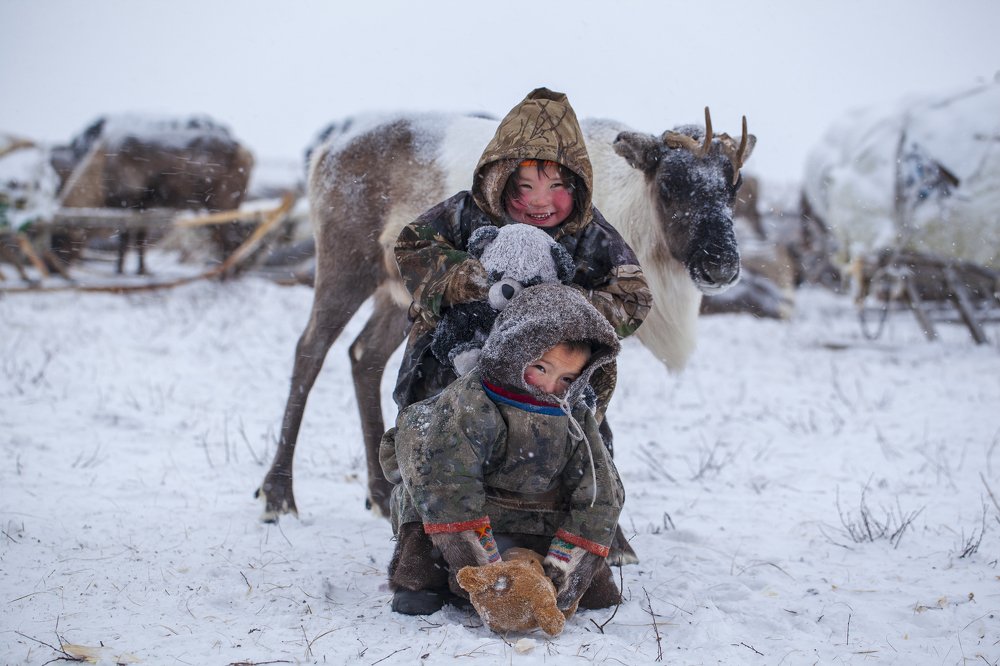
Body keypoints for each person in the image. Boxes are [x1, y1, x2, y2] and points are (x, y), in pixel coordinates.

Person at [392, 87, 652, 435]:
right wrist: (461, 280)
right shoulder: (467, 212)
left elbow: (633, 295)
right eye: (525, 186)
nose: (539, 202)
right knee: (435, 449)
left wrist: (573, 308)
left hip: (554, 388)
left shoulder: (591, 232)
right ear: (500, 178)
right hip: (450, 373)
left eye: (557, 185)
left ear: (577, 185)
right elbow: (414, 244)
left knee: (578, 455)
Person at [380, 284, 625, 616]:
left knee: (597, 596)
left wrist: (567, 569)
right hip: (465, 511)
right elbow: (448, 483)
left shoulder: (574, 415)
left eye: (568, 379)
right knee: (426, 546)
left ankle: (537, 575)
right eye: (540, 368)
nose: (551, 387)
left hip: (535, 515)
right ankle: (427, 582)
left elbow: (599, 490)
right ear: (515, 350)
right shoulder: (473, 401)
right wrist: (485, 574)